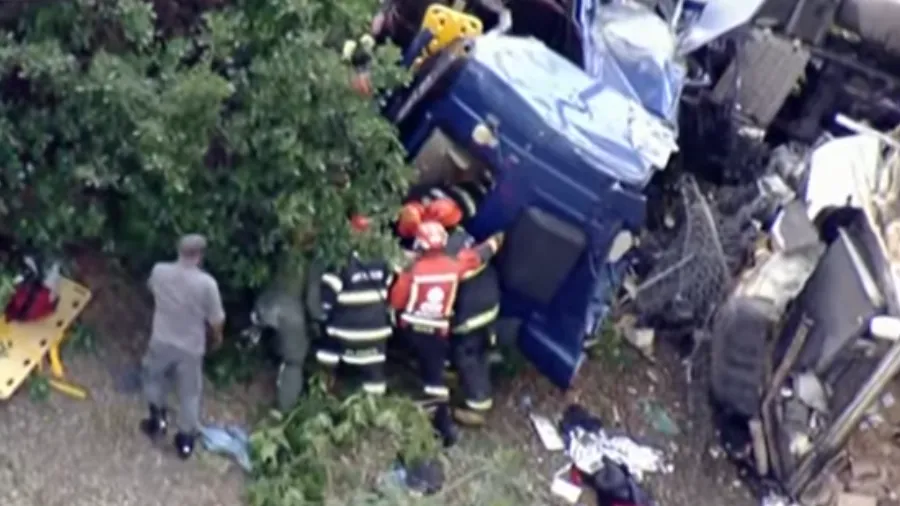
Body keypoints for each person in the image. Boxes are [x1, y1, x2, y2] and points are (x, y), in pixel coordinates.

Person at [389, 220, 503, 446]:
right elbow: (481, 254)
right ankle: (445, 398)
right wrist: (498, 238)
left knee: (457, 360)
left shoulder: (414, 270)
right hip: (454, 320)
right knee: (440, 365)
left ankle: (462, 415)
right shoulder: (455, 260)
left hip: (432, 324)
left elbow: (397, 300)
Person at [140, 234, 225, 459]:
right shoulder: (207, 284)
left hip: (161, 338)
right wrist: (216, 339)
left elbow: (152, 289)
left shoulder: (159, 271)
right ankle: (185, 441)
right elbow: (216, 320)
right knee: (189, 394)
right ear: (200, 256)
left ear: (178, 250)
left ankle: (157, 419)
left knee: (153, 378)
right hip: (191, 347)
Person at [315, 250, 396, 395]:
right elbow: (391, 285)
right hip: (377, 332)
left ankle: (324, 388)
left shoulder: (340, 263)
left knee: (326, 347)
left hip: (346, 332)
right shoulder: (382, 259)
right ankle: (376, 399)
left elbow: (326, 303)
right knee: (374, 371)